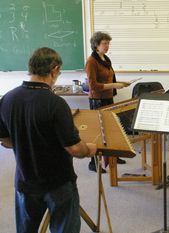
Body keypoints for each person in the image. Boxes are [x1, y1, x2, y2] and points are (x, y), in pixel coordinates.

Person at [0, 47, 97, 233]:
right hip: (57, 182)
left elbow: (4, 139)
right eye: (58, 73)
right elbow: (75, 149)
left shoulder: (7, 99)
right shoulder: (56, 104)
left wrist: (24, 143)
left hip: (24, 180)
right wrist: (89, 150)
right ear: (54, 70)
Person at [85, 31, 130, 172]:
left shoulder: (105, 59)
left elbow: (110, 79)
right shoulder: (91, 61)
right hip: (97, 99)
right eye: (104, 43)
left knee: (111, 129)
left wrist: (122, 83)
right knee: (98, 131)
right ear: (96, 45)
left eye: (108, 43)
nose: (107, 46)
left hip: (108, 97)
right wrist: (114, 85)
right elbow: (93, 86)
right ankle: (93, 163)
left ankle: (112, 157)